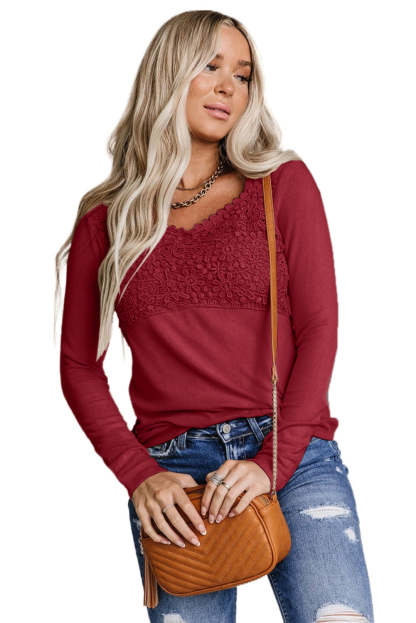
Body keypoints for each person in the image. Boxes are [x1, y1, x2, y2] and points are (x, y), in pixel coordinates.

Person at [55, 10, 375, 623]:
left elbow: (319, 331)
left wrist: (272, 461)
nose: (230, 86)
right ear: (168, 74)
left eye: (243, 74)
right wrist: (139, 476)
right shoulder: (107, 218)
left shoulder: (282, 184)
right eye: (211, 66)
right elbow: (78, 366)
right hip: (172, 477)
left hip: (292, 451)